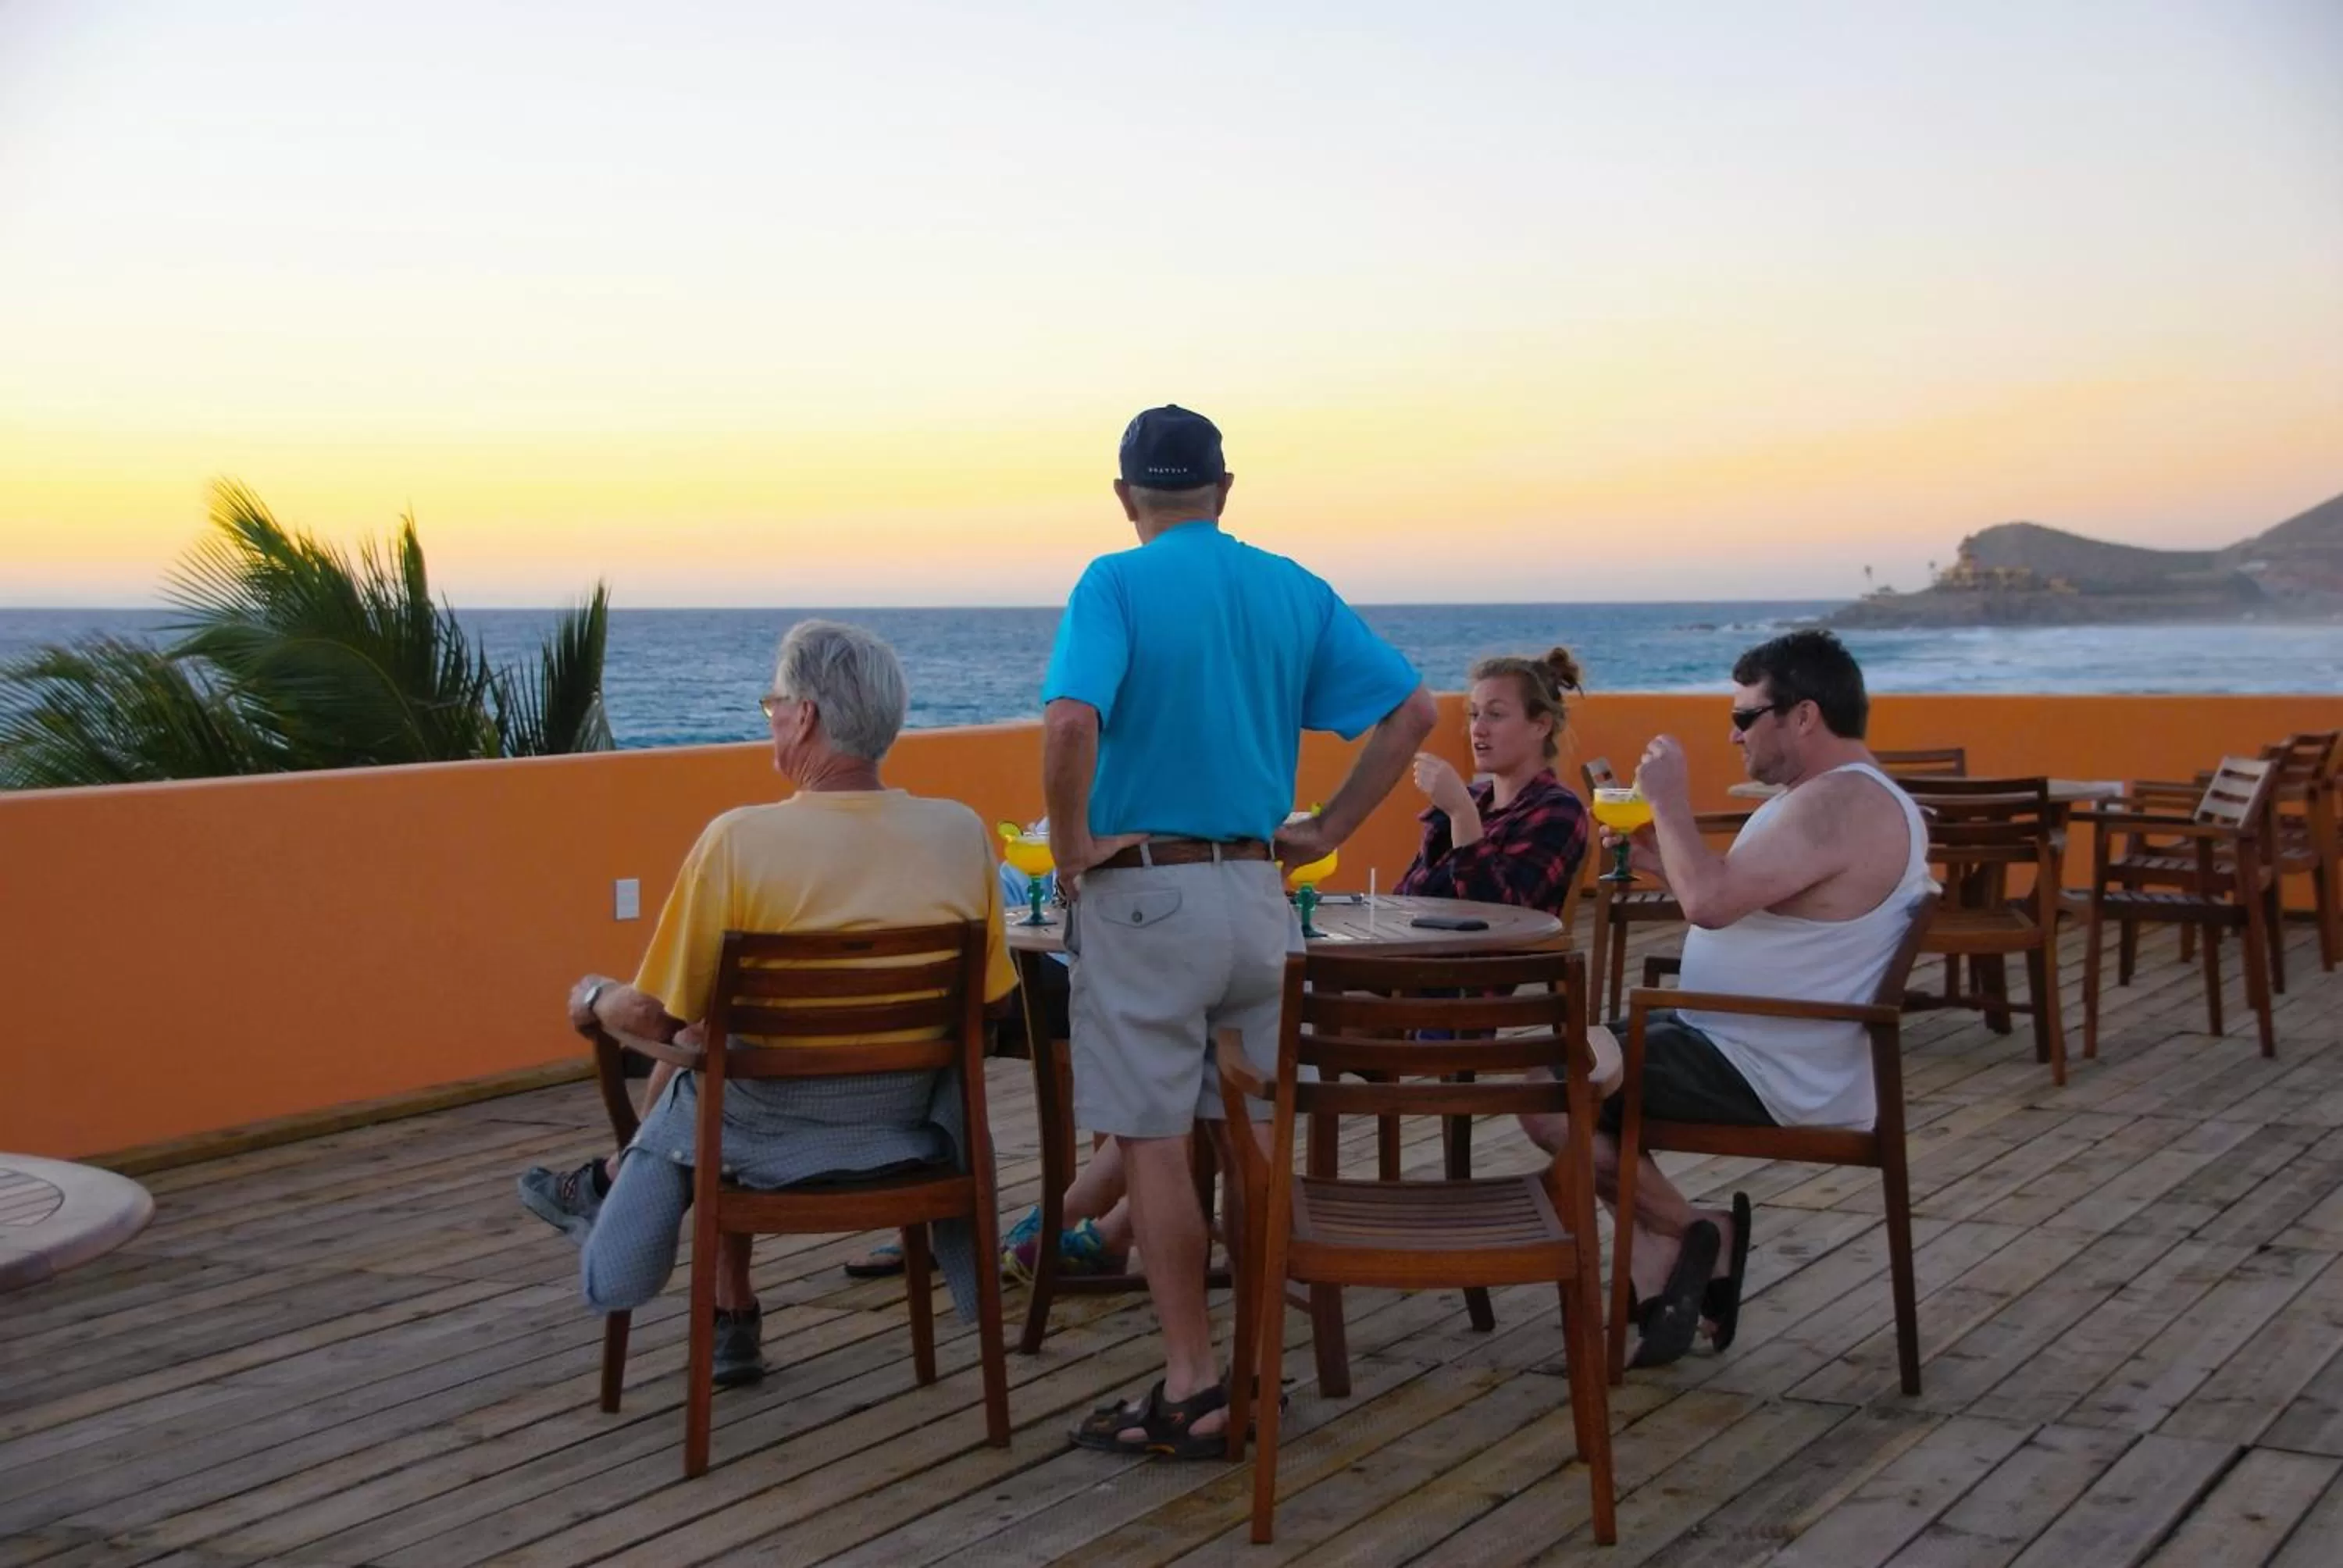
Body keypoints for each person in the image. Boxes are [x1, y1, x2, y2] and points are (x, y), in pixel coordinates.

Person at [1045, 404, 1437, 1457]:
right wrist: (1331, 828)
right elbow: (1412, 714)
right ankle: (1261, 1365)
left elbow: (1073, 719)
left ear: (1127, 496)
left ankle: (1196, 1385)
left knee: (1157, 1144)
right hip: (1261, 900)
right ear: (1225, 489)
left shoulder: (1114, 582)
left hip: (1149, 893)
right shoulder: (1290, 587)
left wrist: (1071, 844)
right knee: (1257, 1143)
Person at [516, 620, 1016, 1385]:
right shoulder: (960, 833)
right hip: (911, 1127)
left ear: (805, 716)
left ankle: (641, 1213)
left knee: (701, 1059)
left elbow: (658, 1017)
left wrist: (592, 997)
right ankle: (706, 1288)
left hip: (762, 1134)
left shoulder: (739, 841)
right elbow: (991, 1006)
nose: (772, 718)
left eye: (773, 704)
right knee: (713, 1049)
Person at [1521, 629, 1933, 1368]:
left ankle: (1694, 1234)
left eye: (1746, 718)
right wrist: (1666, 862)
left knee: (1548, 1091)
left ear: (1802, 716)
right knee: (1569, 1076)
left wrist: (1670, 802)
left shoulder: (1838, 804)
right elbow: (1737, 902)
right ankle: (1672, 1266)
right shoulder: (1831, 798)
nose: (1733, 733)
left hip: (1765, 1061)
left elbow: (1711, 906)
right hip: (1739, 1042)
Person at [1397, 647, 1592, 911]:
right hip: (1417, 944)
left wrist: (1461, 813)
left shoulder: (1559, 810)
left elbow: (1499, 912)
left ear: (1540, 726)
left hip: (1479, 953)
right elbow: (1411, 890)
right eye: (1475, 715)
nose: (1478, 729)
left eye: (1496, 714)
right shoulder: (1475, 798)